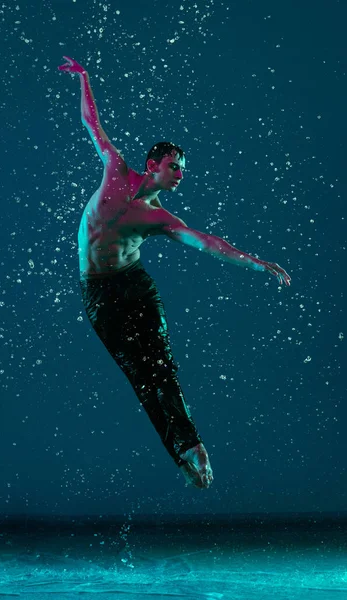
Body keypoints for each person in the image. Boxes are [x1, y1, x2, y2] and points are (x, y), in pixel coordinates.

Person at [58, 56, 291, 490]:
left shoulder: (159, 218)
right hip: (98, 293)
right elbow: (92, 123)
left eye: (182, 168)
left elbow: (208, 243)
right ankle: (180, 452)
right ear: (154, 164)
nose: (181, 174)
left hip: (135, 286)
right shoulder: (114, 170)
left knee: (162, 368)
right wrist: (84, 79)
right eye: (175, 166)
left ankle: (192, 446)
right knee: (138, 375)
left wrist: (257, 262)